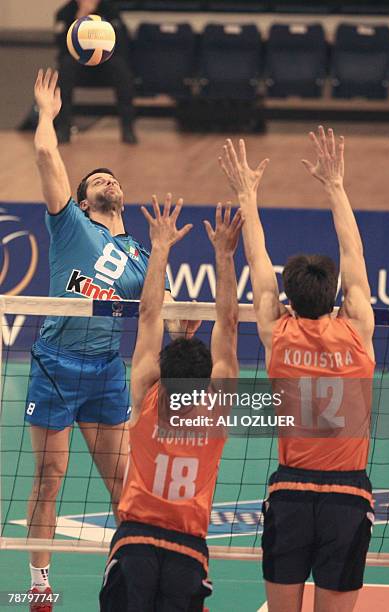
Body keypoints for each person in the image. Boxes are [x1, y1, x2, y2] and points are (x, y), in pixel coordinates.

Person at [26, 68, 198, 611]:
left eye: (112, 178)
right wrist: (48, 118)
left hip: (104, 370)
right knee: (50, 475)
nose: (107, 180)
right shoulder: (70, 225)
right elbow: (48, 160)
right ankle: (37, 581)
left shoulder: (141, 258)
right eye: (96, 178)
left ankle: (129, 572)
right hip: (55, 364)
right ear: (81, 198)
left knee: (125, 485)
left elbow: (163, 314)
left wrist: (178, 322)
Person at [220, 128, 375, 612]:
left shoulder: (278, 336)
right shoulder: (359, 332)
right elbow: (355, 256)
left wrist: (246, 193)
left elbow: (256, 258)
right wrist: (335, 185)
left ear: (288, 297)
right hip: (347, 497)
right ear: (337, 297)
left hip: (290, 492)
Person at [99, 198, 243, 611]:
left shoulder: (147, 397)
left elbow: (148, 315)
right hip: (187, 550)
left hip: (136, 540)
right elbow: (229, 326)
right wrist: (224, 254)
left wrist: (159, 247)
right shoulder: (217, 409)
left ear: (162, 373)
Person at [55, 0, 137, 143]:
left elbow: (122, 40)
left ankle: (128, 128)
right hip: (78, 63)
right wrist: (79, 18)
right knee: (66, 67)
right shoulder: (65, 12)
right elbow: (61, 45)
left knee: (121, 68)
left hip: (105, 62)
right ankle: (63, 128)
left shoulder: (110, 9)